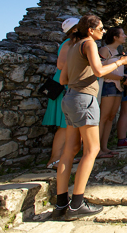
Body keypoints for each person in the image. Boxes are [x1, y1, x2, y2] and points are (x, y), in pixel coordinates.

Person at [56, 15, 127, 221]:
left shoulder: (72, 46)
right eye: (100, 28)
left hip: (70, 98)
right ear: (90, 30)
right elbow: (99, 71)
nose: (103, 31)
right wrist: (121, 61)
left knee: (69, 151)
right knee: (92, 149)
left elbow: (63, 78)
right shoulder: (89, 43)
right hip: (84, 99)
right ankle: (77, 204)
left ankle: (61, 202)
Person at [43, 17, 79, 169]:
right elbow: (61, 64)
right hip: (65, 86)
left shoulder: (75, 44)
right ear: (75, 29)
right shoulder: (68, 43)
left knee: (68, 125)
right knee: (64, 125)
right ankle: (54, 160)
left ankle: (63, 157)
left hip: (70, 85)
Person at [98, 27, 127, 158]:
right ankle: (96, 149)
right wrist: (122, 78)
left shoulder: (118, 51)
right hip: (108, 85)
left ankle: (104, 147)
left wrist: (125, 78)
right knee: (103, 117)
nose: (125, 36)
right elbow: (102, 70)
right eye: (122, 34)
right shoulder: (105, 50)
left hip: (118, 87)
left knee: (111, 118)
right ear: (115, 37)